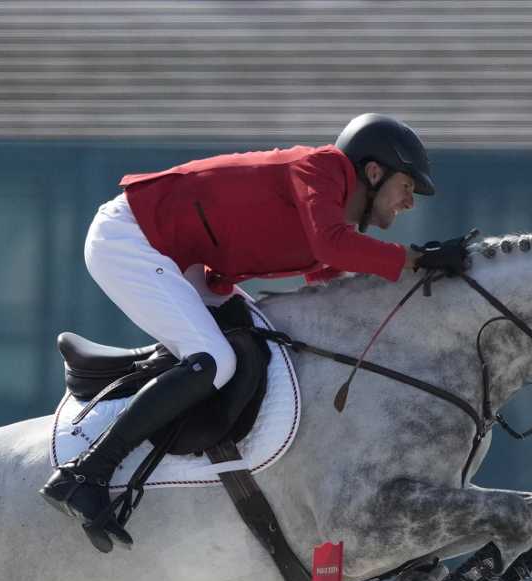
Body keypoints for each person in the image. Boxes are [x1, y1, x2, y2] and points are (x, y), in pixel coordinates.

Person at [44, 113, 471, 550]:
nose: (409, 202)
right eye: (407, 187)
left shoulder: (330, 208)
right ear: (374, 172)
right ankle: (86, 473)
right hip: (131, 238)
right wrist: (417, 258)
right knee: (214, 360)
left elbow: (333, 277)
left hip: (178, 256)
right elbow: (334, 246)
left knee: (259, 338)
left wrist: (421, 276)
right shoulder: (322, 169)